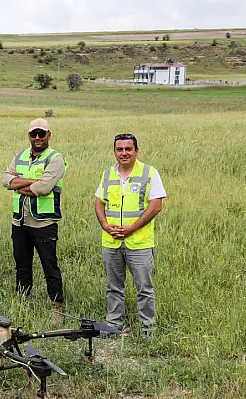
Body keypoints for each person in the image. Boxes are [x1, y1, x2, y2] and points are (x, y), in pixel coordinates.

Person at [95, 133, 165, 341]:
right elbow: (99, 202)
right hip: (112, 241)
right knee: (113, 287)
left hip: (139, 243)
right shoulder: (108, 174)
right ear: (114, 152)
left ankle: (147, 329)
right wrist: (105, 225)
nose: (124, 153)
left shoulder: (149, 173)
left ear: (136, 151)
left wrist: (132, 228)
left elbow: (156, 205)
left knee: (144, 288)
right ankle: (114, 325)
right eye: (119, 149)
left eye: (128, 149)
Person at [2, 118, 66, 317]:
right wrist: (33, 183)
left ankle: (57, 309)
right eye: (33, 134)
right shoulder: (20, 156)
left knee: (50, 266)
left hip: (43, 222)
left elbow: (45, 188)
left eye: (41, 133)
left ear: (49, 135)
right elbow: (5, 180)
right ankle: (23, 304)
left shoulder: (55, 158)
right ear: (29, 136)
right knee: (22, 265)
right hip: (19, 221)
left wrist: (19, 184)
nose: (37, 137)